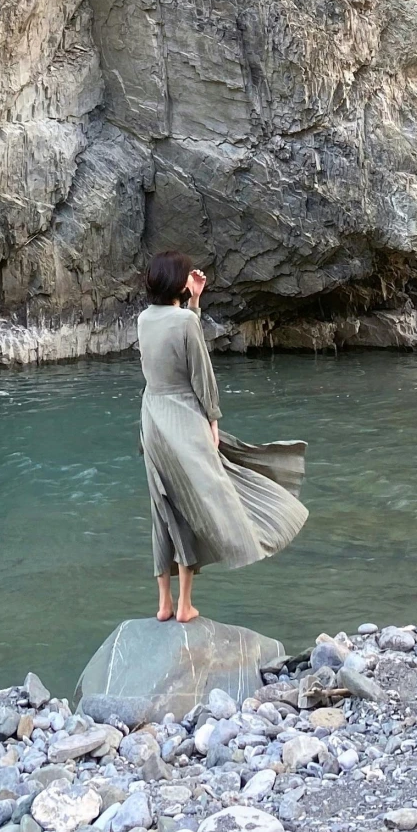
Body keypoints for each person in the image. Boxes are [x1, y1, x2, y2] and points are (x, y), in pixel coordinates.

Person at [137, 249, 308, 623]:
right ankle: (185, 605)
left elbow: (178, 341)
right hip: (184, 418)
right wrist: (213, 421)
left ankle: (164, 604)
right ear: (177, 282)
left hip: (152, 419)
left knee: (162, 508)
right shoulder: (184, 322)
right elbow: (201, 374)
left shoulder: (144, 319)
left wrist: (194, 300)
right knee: (195, 502)